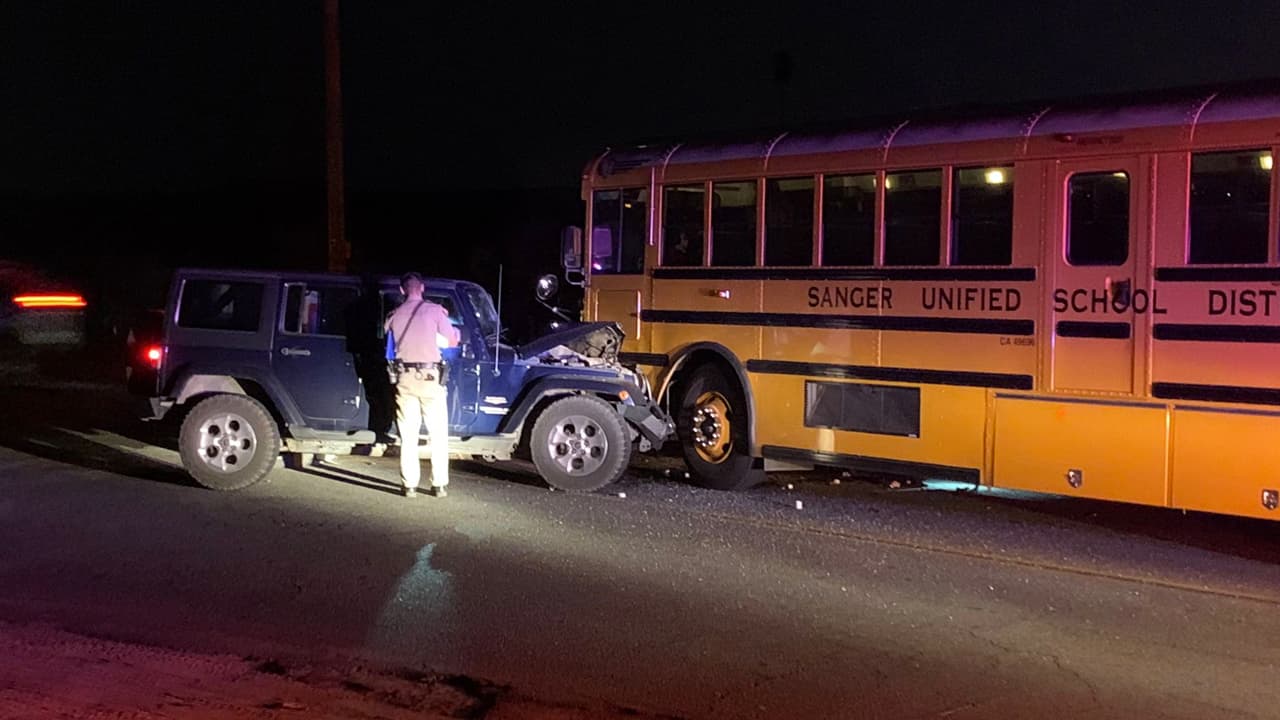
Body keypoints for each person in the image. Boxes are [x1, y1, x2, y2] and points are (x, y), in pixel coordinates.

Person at [384, 272, 460, 498]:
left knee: (408, 435)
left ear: (402, 290)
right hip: (430, 378)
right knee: (438, 433)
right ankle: (439, 485)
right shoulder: (435, 311)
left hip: (404, 379)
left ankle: (409, 486)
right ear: (423, 288)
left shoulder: (394, 315)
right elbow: (452, 340)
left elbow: (388, 341)